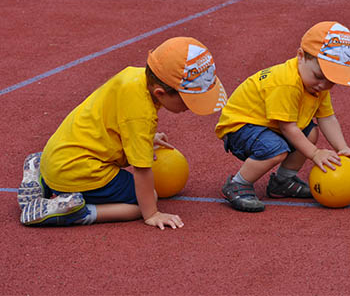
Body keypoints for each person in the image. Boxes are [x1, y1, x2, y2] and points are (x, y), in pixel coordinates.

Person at [17, 37, 227, 229]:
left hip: (59, 154)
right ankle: (75, 212)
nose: (189, 108)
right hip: (79, 169)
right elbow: (142, 170)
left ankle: (42, 176)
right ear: (160, 93)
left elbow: (117, 119)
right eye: (188, 101)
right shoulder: (142, 115)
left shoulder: (134, 77)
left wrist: (146, 138)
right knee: (144, 200)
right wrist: (151, 213)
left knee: (67, 171)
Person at [215, 21, 350, 212]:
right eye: (319, 76)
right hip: (239, 127)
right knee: (277, 149)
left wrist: (342, 148)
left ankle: (282, 181)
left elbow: (328, 118)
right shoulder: (287, 83)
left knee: (310, 132)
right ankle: (238, 184)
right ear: (300, 56)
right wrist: (315, 153)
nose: (324, 85)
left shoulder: (318, 87)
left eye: (332, 82)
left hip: (267, 125)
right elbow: (287, 128)